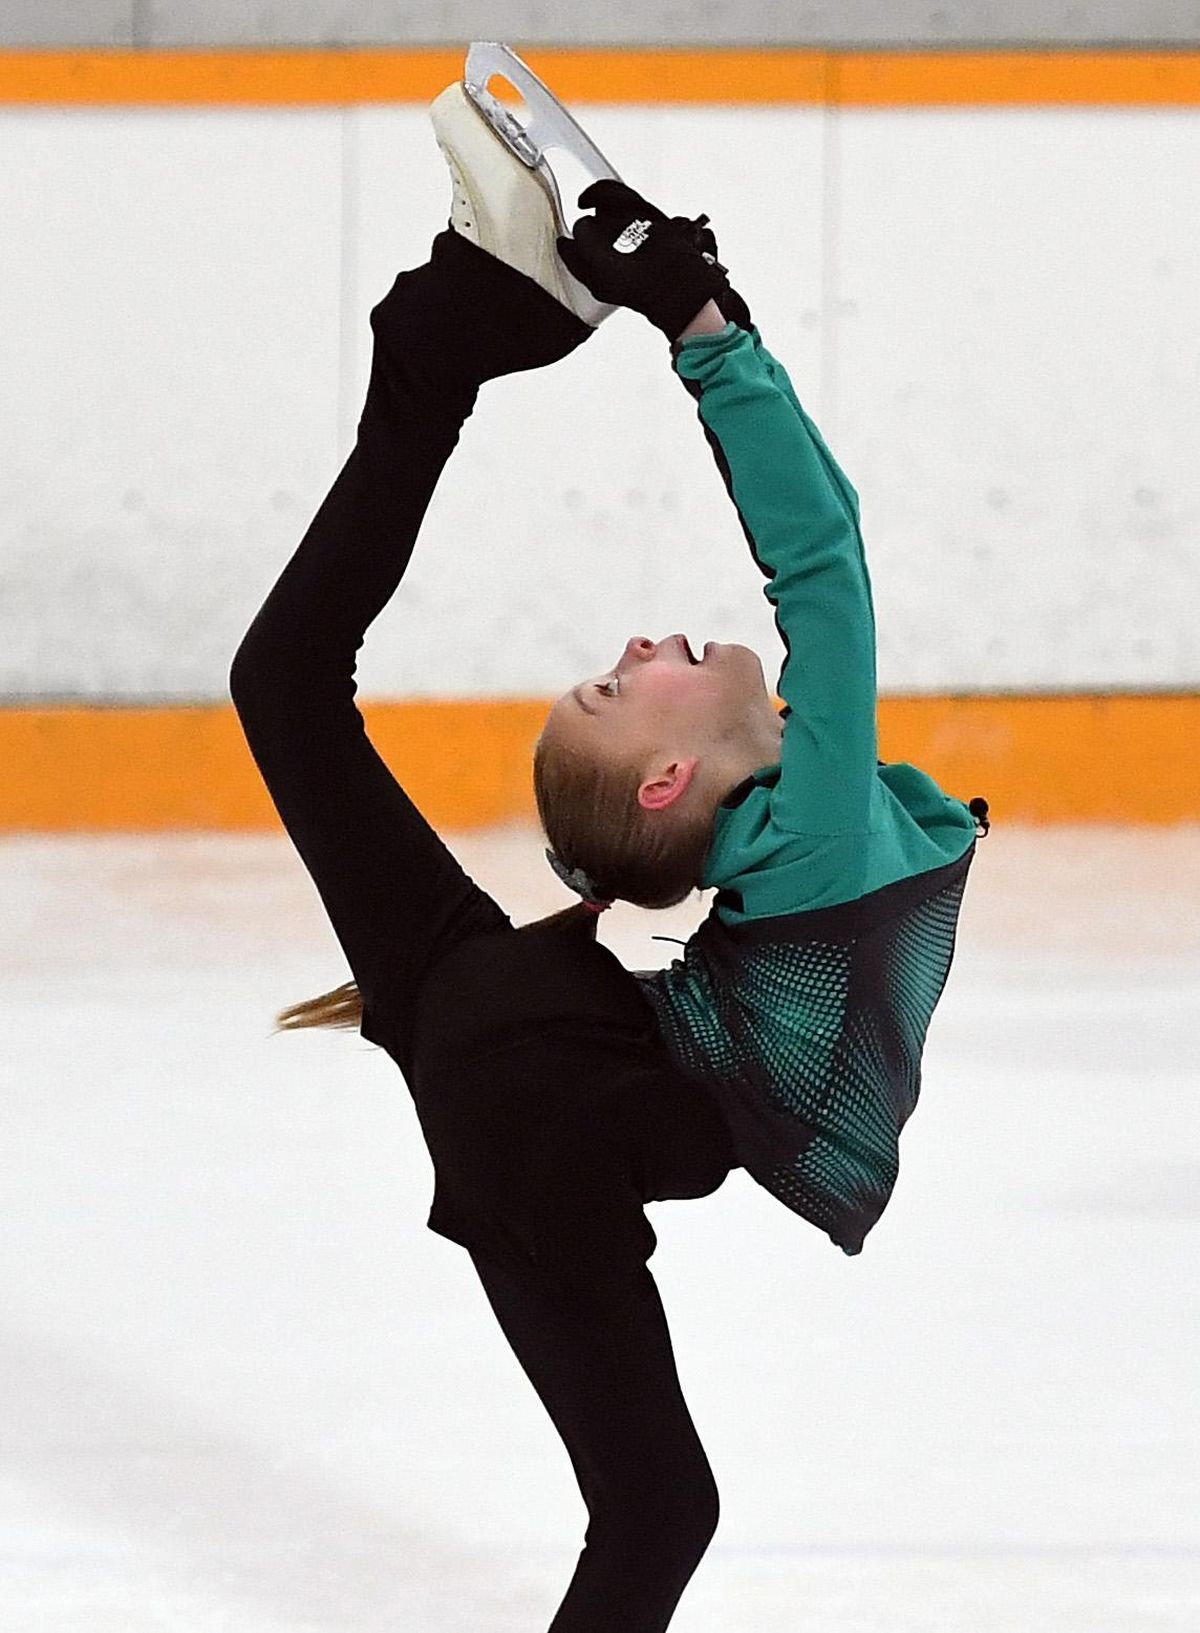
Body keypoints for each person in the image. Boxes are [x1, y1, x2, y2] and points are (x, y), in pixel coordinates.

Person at [230, 83, 742, 1633]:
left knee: (289, 693)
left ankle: (442, 345)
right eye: (633, 663)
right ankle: (443, 345)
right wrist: (705, 321)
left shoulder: (748, 826)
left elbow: (823, 568)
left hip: (508, 1031)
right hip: (534, 1097)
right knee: (660, 1508)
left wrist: (705, 320)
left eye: (635, 665)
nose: (658, 633)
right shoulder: (781, 839)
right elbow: (825, 570)